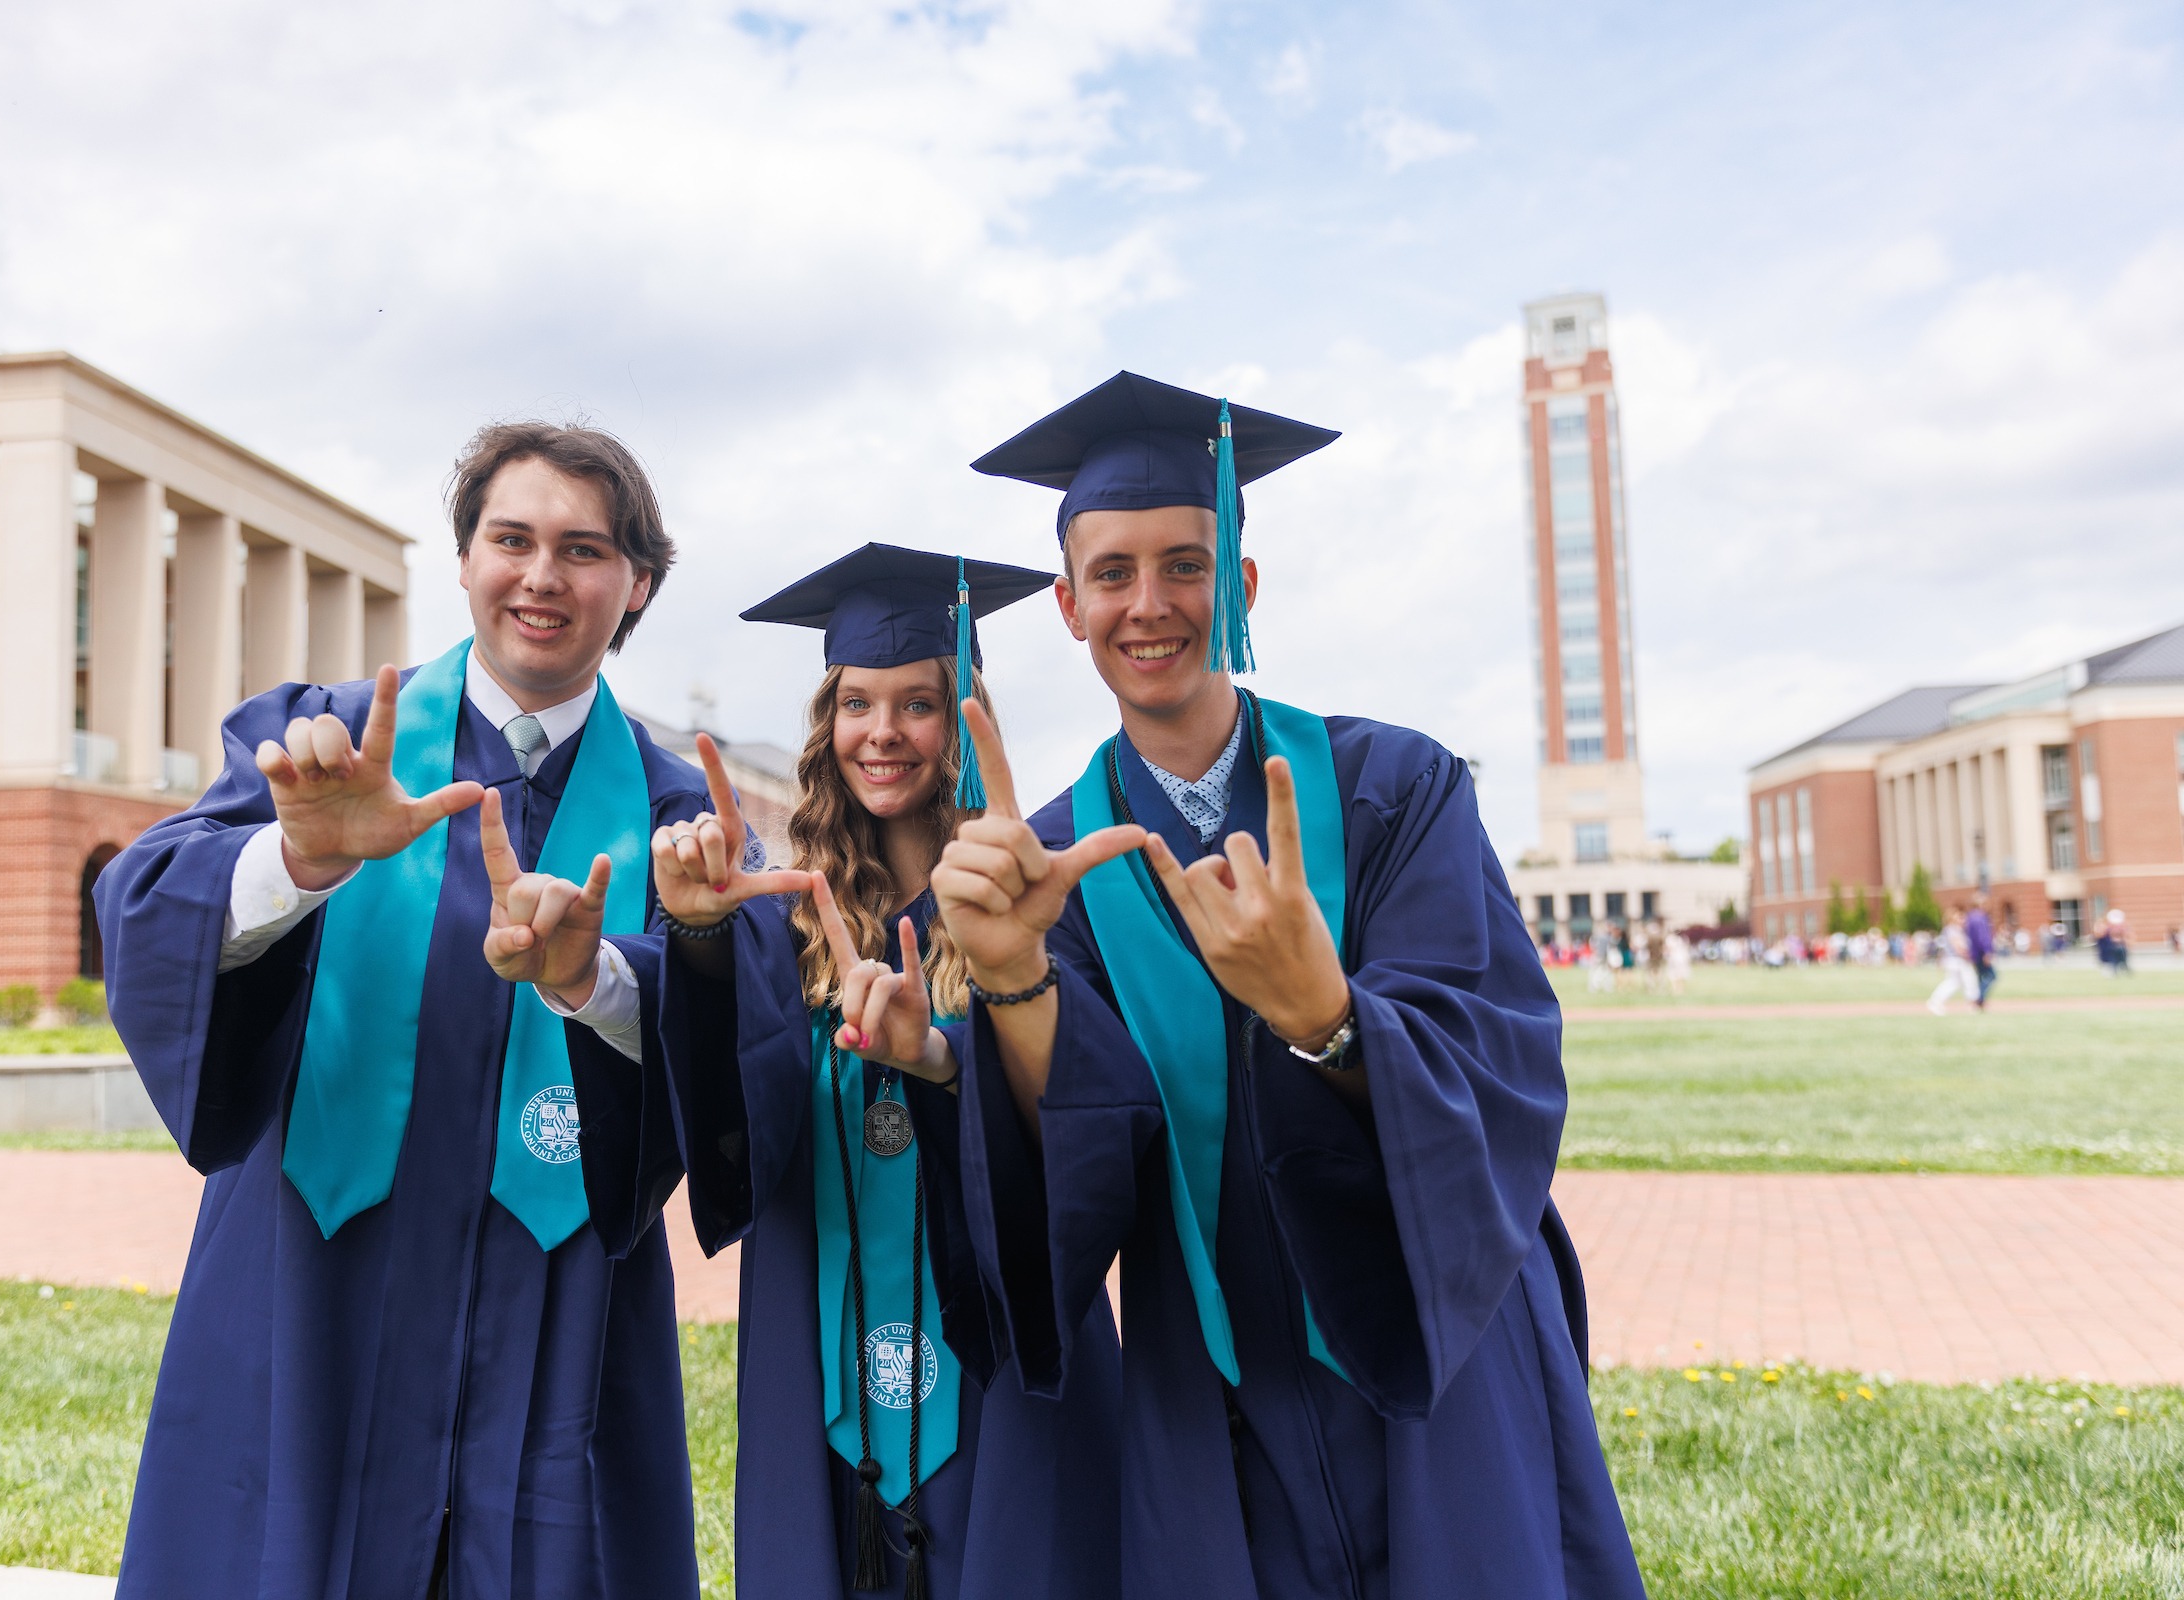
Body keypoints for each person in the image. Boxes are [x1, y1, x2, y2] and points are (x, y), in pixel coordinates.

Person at [935, 372, 1645, 1597]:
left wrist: (1326, 1017)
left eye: (1186, 566)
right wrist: (1013, 982)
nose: (1148, 605)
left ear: (1243, 586)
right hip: (1212, 1365)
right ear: (1065, 604)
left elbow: (1502, 1047)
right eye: (1111, 573)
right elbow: (1088, 1142)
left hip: (1435, 1324)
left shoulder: (1394, 788)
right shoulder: (1056, 859)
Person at [93, 422, 721, 1599]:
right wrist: (296, 859)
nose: (542, 576)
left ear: (636, 582)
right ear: (466, 557)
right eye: (512, 538)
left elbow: (731, 1043)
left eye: (584, 550)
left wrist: (601, 979)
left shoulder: (679, 806)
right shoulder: (328, 741)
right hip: (314, 1273)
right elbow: (142, 900)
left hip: (561, 1299)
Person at [508, 544, 1124, 1599]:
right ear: (825, 726)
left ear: (963, 725)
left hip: (995, 1338)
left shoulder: (1028, 904)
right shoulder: (779, 913)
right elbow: (719, 1099)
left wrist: (941, 1055)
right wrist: (699, 942)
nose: (883, 732)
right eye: (856, 703)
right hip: (816, 1328)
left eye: (918, 704)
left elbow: (1086, 1108)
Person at [1927, 917, 1976, 1016]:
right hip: (1957, 960)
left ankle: (1936, 1002)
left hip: (1955, 960)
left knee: (1955, 982)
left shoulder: (1950, 930)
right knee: (1967, 980)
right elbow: (1958, 947)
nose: (1963, 919)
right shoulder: (1952, 930)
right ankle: (1972, 1004)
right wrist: (1969, 955)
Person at [1964, 901, 1997, 1009]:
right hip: (1981, 953)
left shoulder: (1969, 918)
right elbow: (1983, 937)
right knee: (1992, 975)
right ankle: (1979, 999)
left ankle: (1978, 1000)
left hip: (1974, 953)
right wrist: (1987, 951)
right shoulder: (1980, 918)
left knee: (1979, 977)